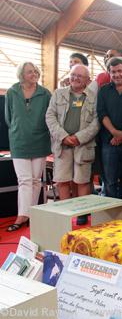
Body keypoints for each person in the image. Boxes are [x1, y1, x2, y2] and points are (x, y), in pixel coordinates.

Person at [4, 62, 51, 231]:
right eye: (30, 72)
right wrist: (18, 129)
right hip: (19, 141)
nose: (34, 74)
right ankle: (22, 215)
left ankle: (31, 214)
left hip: (40, 141)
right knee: (24, 180)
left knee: (35, 180)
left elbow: (49, 116)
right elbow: (9, 118)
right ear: (22, 75)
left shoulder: (45, 94)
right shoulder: (12, 92)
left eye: (35, 71)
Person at [45, 64, 100, 201]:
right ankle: (65, 214)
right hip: (62, 145)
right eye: (73, 74)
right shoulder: (58, 93)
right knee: (62, 181)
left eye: (79, 76)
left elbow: (97, 122)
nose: (75, 78)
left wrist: (78, 138)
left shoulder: (94, 98)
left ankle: (82, 214)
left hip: (83, 146)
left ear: (88, 80)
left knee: (82, 181)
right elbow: (50, 116)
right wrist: (63, 136)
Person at [96, 57, 122, 221]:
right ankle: (112, 216)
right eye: (113, 72)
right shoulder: (104, 90)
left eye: (120, 71)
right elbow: (102, 113)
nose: (117, 74)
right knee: (110, 181)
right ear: (109, 73)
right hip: (108, 142)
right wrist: (114, 132)